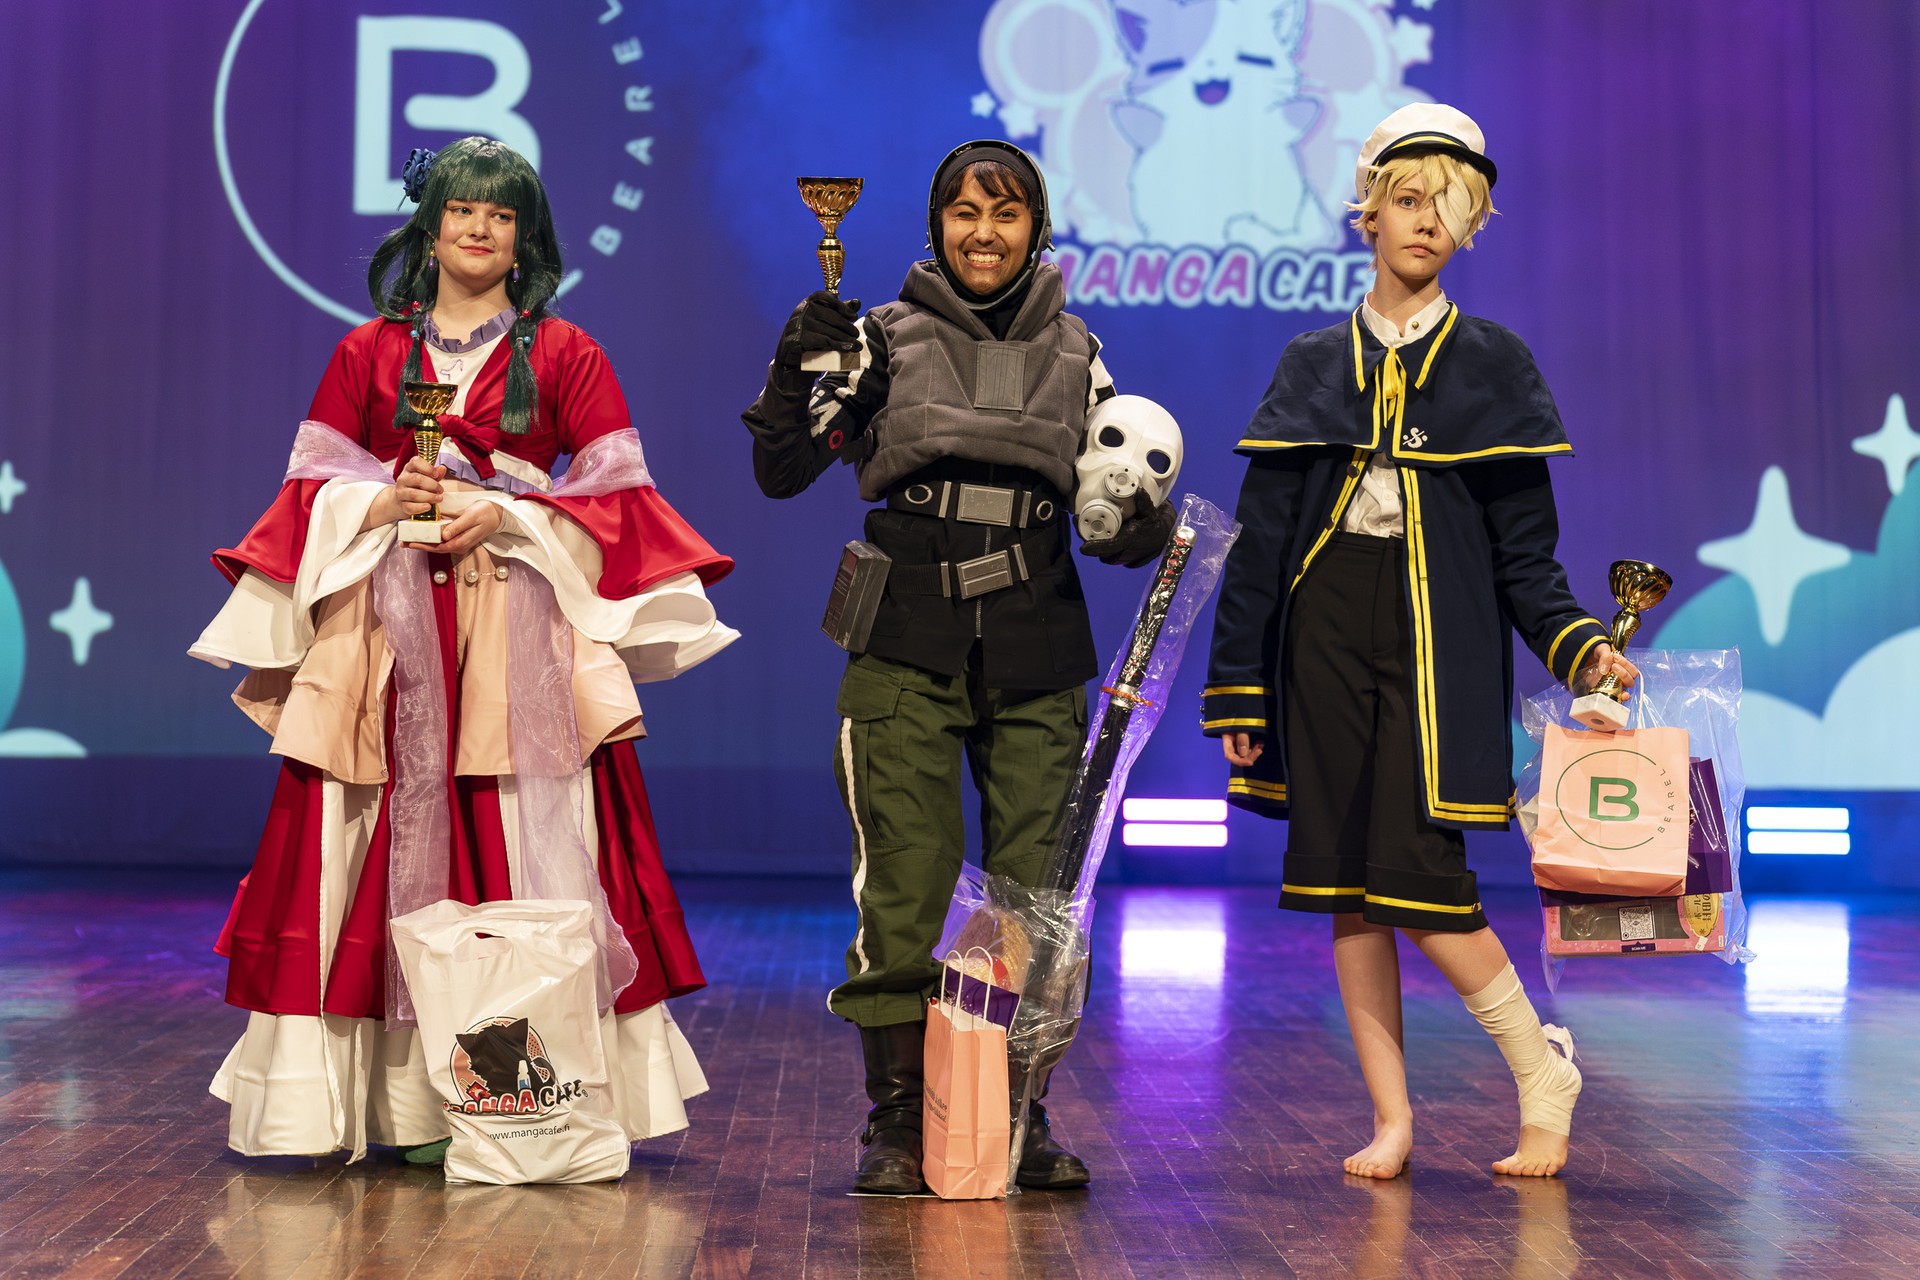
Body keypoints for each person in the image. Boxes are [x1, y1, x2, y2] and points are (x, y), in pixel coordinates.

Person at [191, 136, 737, 1163]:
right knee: (362, 835)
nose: (480, 228)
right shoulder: (366, 353)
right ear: (430, 226)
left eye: (501, 213)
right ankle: (391, 1109)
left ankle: (526, 1106)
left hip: (513, 627)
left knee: (518, 837)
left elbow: (616, 497)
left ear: (526, 238)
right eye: (462, 210)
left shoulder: (568, 354)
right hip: (384, 633)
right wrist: (381, 498)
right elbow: (310, 488)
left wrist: (511, 513)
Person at [1203, 105, 1638, 1180]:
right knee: (1347, 885)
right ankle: (1393, 1119)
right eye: (1408, 200)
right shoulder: (1312, 361)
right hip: (1322, 637)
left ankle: (1540, 1065)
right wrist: (1240, 690)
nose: (1426, 222)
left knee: (1422, 878)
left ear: (1471, 224)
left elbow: (1527, 560)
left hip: (1439, 643)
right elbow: (1259, 550)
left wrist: (1582, 648)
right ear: (1371, 211)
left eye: (1450, 207)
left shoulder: (1493, 363)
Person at [742, 140, 1174, 1193]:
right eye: (965, 213)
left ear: (1037, 228)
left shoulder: (1081, 350)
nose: (985, 233)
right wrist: (794, 368)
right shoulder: (879, 337)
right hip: (907, 632)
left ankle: (1014, 1111)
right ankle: (899, 1119)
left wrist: (1138, 527)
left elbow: (1117, 512)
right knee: (905, 877)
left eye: (1006, 213)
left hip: (1035, 636)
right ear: (936, 226)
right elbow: (782, 470)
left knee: (1035, 898)